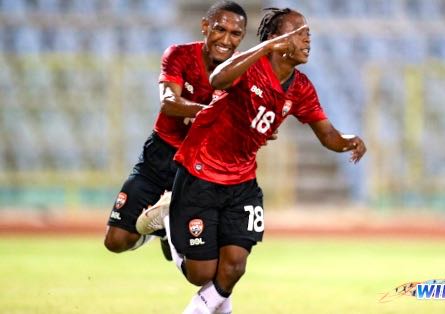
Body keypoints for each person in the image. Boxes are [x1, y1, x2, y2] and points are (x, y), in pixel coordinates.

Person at [142, 7, 366, 313]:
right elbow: (218, 78)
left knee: (235, 266)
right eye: (298, 33)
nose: (307, 41)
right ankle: (169, 218)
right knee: (202, 274)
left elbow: (327, 135)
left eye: (308, 35)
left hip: (242, 181)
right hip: (200, 170)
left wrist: (347, 142)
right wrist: (264, 48)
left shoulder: (300, 88)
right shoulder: (249, 64)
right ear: (276, 39)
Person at [103, 1, 248, 260]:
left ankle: (170, 226)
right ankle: (154, 229)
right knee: (115, 241)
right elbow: (169, 103)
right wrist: (208, 114)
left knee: (184, 256)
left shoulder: (243, 74)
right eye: (219, 29)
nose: (226, 39)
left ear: (242, 37)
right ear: (205, 26)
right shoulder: (179, 55)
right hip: (160, 156)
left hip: (199, 169)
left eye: (235, 33)